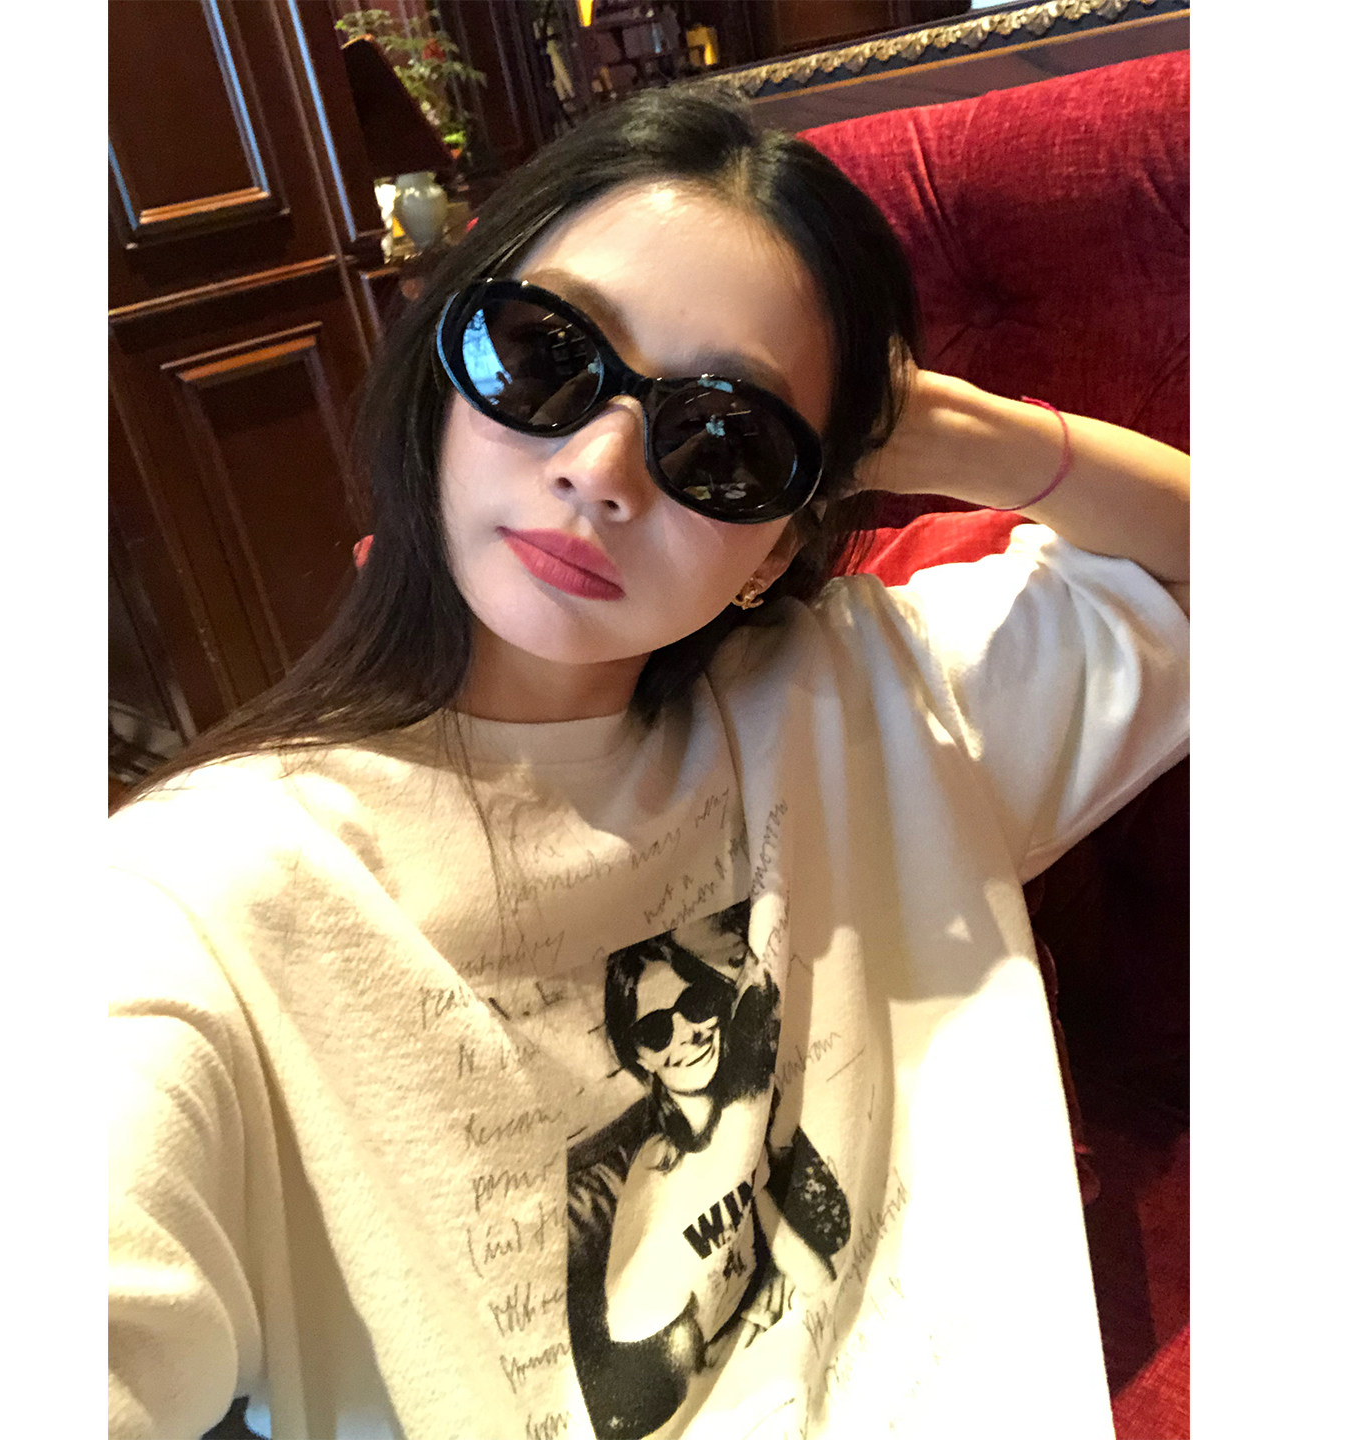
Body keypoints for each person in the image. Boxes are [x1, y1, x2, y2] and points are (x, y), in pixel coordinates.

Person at [108, 86, 1189, 1440]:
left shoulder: (877, 700)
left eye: (726, 439)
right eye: (542, 355)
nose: (601, 467)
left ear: (784, 541)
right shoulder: (201, 901)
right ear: (441, 373)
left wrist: (958, 435)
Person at [566, 909, 849, 1438]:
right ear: (640, 1057)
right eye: (655, 1030)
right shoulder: (659, 1173)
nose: (687, 1035)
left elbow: (818, 1279)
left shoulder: (747, 1122)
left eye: (694, 1005)